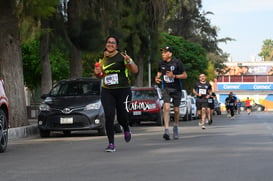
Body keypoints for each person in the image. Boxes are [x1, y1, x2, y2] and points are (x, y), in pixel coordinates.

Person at [94, 35, 138, 152]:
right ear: (106, 44)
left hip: (123, 90)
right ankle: (111, 144)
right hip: (107, 91)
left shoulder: (122, 56)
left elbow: (134, 70)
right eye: (109, 42)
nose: (110, 44)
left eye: (113, 43)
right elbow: (100, 75)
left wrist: (129, 61)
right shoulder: (101, 57)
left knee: (122, 116)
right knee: (109, 116)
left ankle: (126, 127)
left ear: (116, 46)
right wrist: (97, 72)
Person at [155, 46, 187, 140]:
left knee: (176, 110)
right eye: (162, 53)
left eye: (165, 52)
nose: (163, 54)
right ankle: (166, 130)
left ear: (170, 54)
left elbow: (185, 75)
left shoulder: (177, 62)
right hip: (166, 89)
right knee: (167, 107)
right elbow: (159, 72)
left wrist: (174, 76)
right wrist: (157, 78)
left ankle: (175, 127)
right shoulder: (161, 63)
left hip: (177, 89)